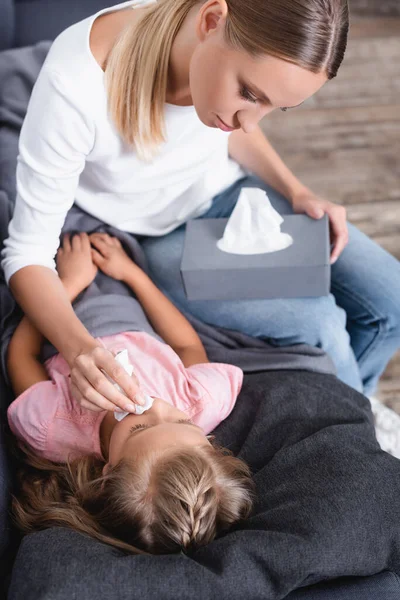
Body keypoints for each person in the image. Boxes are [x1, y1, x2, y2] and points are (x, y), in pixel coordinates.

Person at [2, 0, 400, 415]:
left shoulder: (216, 63)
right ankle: (366, 421)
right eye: (248, 92)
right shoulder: (76, 84)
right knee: (319, 325)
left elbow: (232, 129)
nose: (251, 122)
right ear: (212, 20)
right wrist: (79, 348)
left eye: (273, 106)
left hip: (232, 193)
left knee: (391, 299)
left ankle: (363, 395)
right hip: (159, 234)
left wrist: (296, 190)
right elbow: (26, 253)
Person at [7, 232, 254, 554]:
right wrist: (133, 274)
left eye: (139, 429)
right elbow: (186, 345)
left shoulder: (52, 425)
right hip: (121, 291)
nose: (152, 406)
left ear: (108, 472)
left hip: (49, 300)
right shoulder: (202, 397)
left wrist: (69, 282)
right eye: (182, 422)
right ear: (210, 442)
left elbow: (21, 354)